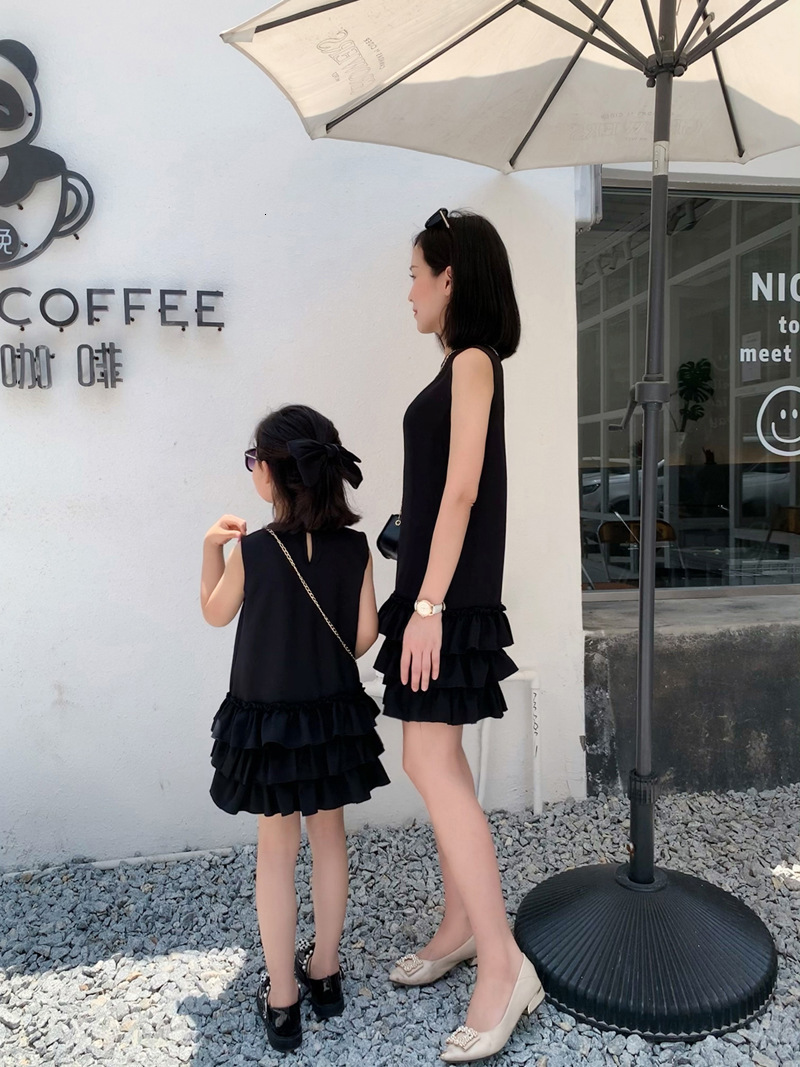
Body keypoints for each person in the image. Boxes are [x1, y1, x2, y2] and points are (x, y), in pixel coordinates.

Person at [375, 209, 543, 1063]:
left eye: (415, 273)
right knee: (439, 764)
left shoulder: (475, 361)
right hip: (437, 593)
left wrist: (429, 605)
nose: (408, 289)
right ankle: (461, 927)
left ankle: (505, 963)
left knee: (430, 763)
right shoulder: (457, 368)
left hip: (447, 599)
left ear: (450, 279)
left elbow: (464, 488)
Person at [200, 404, 389, 1054]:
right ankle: (326, 972)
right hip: (332, 716)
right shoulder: (355, 548)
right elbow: (362, 638)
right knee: (330, 842)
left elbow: (214, 614)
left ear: (276, 473)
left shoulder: (254, 549)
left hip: (270, 724)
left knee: (276, 856)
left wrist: (209, 550)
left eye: (255, 460)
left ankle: (283, 1000)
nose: (253, 470)